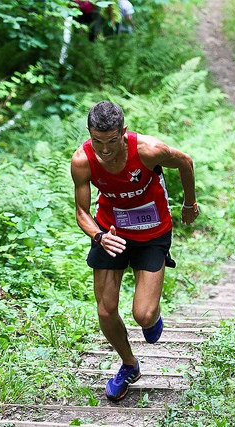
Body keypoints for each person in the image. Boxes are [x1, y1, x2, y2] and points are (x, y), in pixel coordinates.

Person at [71, 101, 199, 401]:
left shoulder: (148, 150)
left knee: (143, 314)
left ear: (123, 132)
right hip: (111, 232)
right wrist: (99, 236)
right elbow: (81, 211)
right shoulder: (82, 160)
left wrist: (189, 203)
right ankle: (129, 365)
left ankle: (152, 318)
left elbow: (186, 161)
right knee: (105, 309)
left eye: (111, 141)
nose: (104, 150)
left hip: (152, 233)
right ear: (90, 134)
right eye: (97, 141)